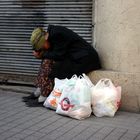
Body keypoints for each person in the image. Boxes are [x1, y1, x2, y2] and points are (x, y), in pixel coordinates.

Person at [26, 24, 101, 104]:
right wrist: (43, 55)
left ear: (45, 40)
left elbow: (59, 55)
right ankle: (40, 89)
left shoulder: (57, 34)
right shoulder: (52, 34)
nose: (43, 49)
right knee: (47, 61)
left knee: (54, 70)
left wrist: (42, 55)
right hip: (75, 57)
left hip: (86, 60)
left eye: (42, 47)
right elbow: (57, 53)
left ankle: (44, 95)